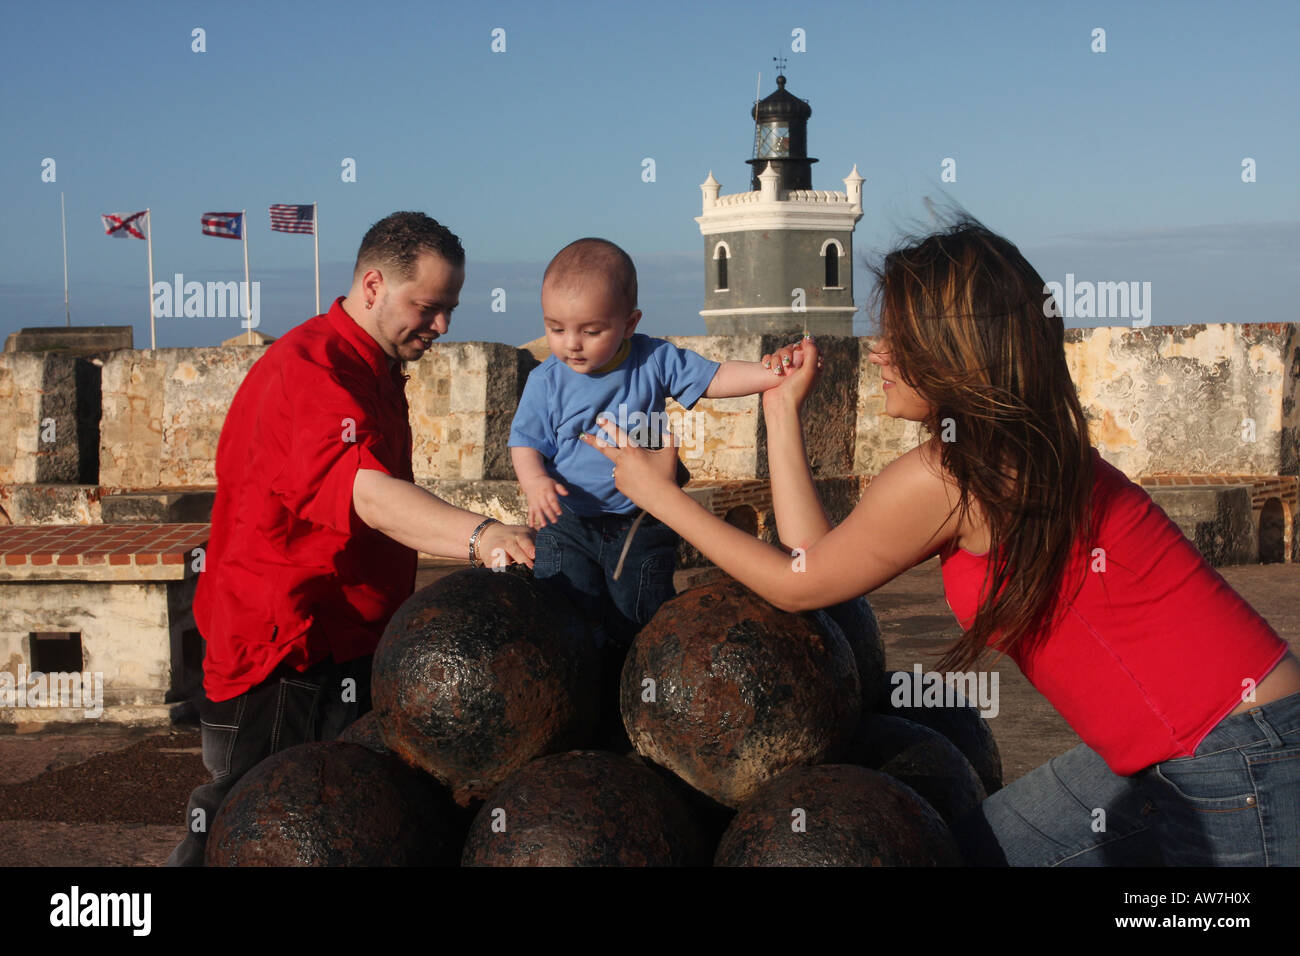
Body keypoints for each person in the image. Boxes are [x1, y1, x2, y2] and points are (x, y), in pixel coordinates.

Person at [582, 215, 1300, 866]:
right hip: (1173, 747)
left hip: (1236, 750)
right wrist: (781, 414)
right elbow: (818, 565)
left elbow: (796, 584)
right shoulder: (1012, 449)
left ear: (955, 350)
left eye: (900, 336)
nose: (880, 352)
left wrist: (660, 497)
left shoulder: (953, 473)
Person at [165, 212, 536, 867]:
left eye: (450, 309)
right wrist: (480, 535)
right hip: (286, 652)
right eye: (428, 307)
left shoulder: (370, 366)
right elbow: (364, 492)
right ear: (372, 286)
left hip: (338, 645)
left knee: (328, 830)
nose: (443, 327)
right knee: (244, 834)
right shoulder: (315, 371)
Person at [508, 237, 802, 650]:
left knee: (640, 616)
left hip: (640, 517)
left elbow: (715, 379)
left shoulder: (653, 360)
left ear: (629, 324)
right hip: (569, 518)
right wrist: (535, 481)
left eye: (591, 331)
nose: (570, 343)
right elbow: (524, 441)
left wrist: (771, 373)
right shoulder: (546, 381)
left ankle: (637, 686)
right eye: (555, 328)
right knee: (565, 613)